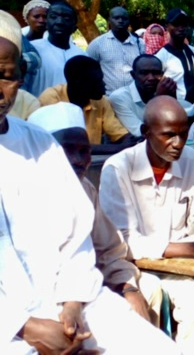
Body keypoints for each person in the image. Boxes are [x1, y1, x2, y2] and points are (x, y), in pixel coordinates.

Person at [0, 21, 180, 354]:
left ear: (20, 79)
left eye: (6, 76)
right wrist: (24, 326)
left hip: (72, 303)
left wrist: (71, 305)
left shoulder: (40, 145)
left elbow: (76, 240)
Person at [99, 96, 194, 354]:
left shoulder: (190, 159)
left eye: (183, 134)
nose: (178, 143)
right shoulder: (117, 168)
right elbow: (122, 243)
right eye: (169, 135)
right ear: (145, 132)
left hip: (182, 260)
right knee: (191, 296)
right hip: (138, 264)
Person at [28, 103, 162, 324]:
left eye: (84, 151)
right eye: (67, 150)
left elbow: (110, 250)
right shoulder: (21, 191)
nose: (78, 160)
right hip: (39, 301)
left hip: (87, 287)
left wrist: (127, 287)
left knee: (149, 290)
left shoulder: (84, 188)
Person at [38, 56, 135, 154]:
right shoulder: (52, 98)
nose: (103, 85)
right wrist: (118, 148)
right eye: (97, 81)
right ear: (78, 83)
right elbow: (65, 145)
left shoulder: (101, 101)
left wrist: (129, 142)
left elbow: (120, 135)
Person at [110, 54, 181, 137]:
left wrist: (172, 100)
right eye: (144, 73)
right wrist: (158, 100)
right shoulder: (120, 97)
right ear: (133, 75)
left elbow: (178, 127)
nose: (151, 78)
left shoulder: (165, 90)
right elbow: (141, 133)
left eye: (156, 73)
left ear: (162, 75)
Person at [28, 2, 87, 97]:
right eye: (53, 16)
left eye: (66, 18)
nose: (59, 22)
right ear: (46, 23)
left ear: (75, 27)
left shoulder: (82, 56)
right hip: (38, 109)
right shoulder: (32, 50)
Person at [86, 7, 145, 94]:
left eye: (124, 18)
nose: (120, 21)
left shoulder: (139, 43)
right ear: (109, 20)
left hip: (136, 96)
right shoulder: (97, 44)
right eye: (116, 18)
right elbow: (88, 70)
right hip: (109, 97)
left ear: (129, 21)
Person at [155, 8, 194, 116]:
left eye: (184, 25)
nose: (181, 28)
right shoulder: (161, 56)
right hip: (173, 112)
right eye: (176, 24)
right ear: (167, 26)